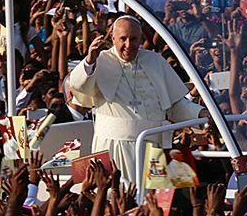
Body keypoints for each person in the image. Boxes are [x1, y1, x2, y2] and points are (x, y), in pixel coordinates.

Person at [70, 15, 210, 182]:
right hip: (114, 147)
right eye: (123, 39)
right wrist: (89, 60)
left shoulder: (155, 61)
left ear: (141, 39)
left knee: (153, 203)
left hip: (154, 146)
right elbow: (78, 86)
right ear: (113, 38)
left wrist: (201, 114)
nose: (128, 45)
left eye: (134, 39)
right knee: (119, 199)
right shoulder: (100, 62)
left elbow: (174, 105)